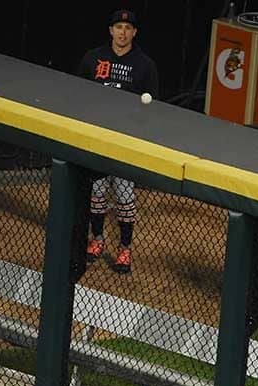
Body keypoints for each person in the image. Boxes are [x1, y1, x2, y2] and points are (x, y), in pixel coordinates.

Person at [76, 10, 159, 274]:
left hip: (126, 139)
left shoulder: (145, 65)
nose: (123, 32)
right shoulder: (93, 58)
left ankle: (125, 248)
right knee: (98, 191)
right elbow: (77, 94)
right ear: (111, 30)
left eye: (128, 28)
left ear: (134, 33)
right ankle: (98, 239)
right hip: (98, 136)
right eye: (119, 27)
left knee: (124, 195)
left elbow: (153, 106)